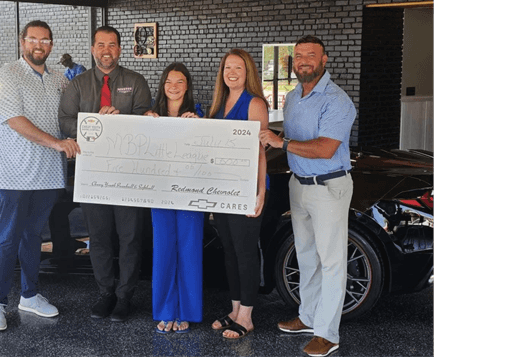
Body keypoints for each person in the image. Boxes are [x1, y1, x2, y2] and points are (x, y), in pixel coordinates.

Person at [258, 36, 356, 357]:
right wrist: (264, 139)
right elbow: (291, 137)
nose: (303, 61)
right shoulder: (293, 97)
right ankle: (308, 316)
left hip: (328, 186)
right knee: (306, 256)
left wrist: (280, 143)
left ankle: (328, 334)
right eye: (298, 56)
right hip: (299, 184)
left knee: (331, 262)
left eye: (310, 56)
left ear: (324, 59)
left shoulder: (337, 100)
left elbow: (326, 148)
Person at [0, 20, 81, 332]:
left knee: (33, 237)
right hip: (15, 173)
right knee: (8, 237)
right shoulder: (7, 75)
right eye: (34, 39)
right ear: (22, 42)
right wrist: (56, 143)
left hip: (50, 174)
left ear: (51, 45)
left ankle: (29, 294)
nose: (40, 45)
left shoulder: (58, 79)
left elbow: (70, 116)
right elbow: (15, 120)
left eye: (46, 40)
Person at [58, 25, 152, 322]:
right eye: (100, 45)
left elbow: (145, 123)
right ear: (92, 49)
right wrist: (94, 126)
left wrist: (118, 121)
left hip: (129, 174)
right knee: (98, 238)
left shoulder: (136, 82)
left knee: (130, 238)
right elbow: (64, 122)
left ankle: (124, 296)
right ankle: (105, 293)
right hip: (92, 174)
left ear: (119, 50)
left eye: (112, 45)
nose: (106, 50)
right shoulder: (78, 85)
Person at [206, 48, 269, 340]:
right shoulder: (218, 104)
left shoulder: (255, 103)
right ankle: (234, 310)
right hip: (222, 188)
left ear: (248, 73)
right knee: (229, 251)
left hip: (246, 188)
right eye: (227, 68)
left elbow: (259, 151)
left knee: (245, 252)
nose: (232, 72)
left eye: (238, 68)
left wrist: (260, 192)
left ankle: (247, 315)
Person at [143, 63, 204, 334]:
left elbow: (208, 149)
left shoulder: (198, 113)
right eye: (169, 81)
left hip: (191, 193)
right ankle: (167, 310)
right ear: (163, 84)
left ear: (187, 85)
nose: (174, 86)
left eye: (180, 81)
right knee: (164, 250)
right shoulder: (151, 114)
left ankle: (187, 312)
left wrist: (200, 127)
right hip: (161, 192)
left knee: (190, 251)